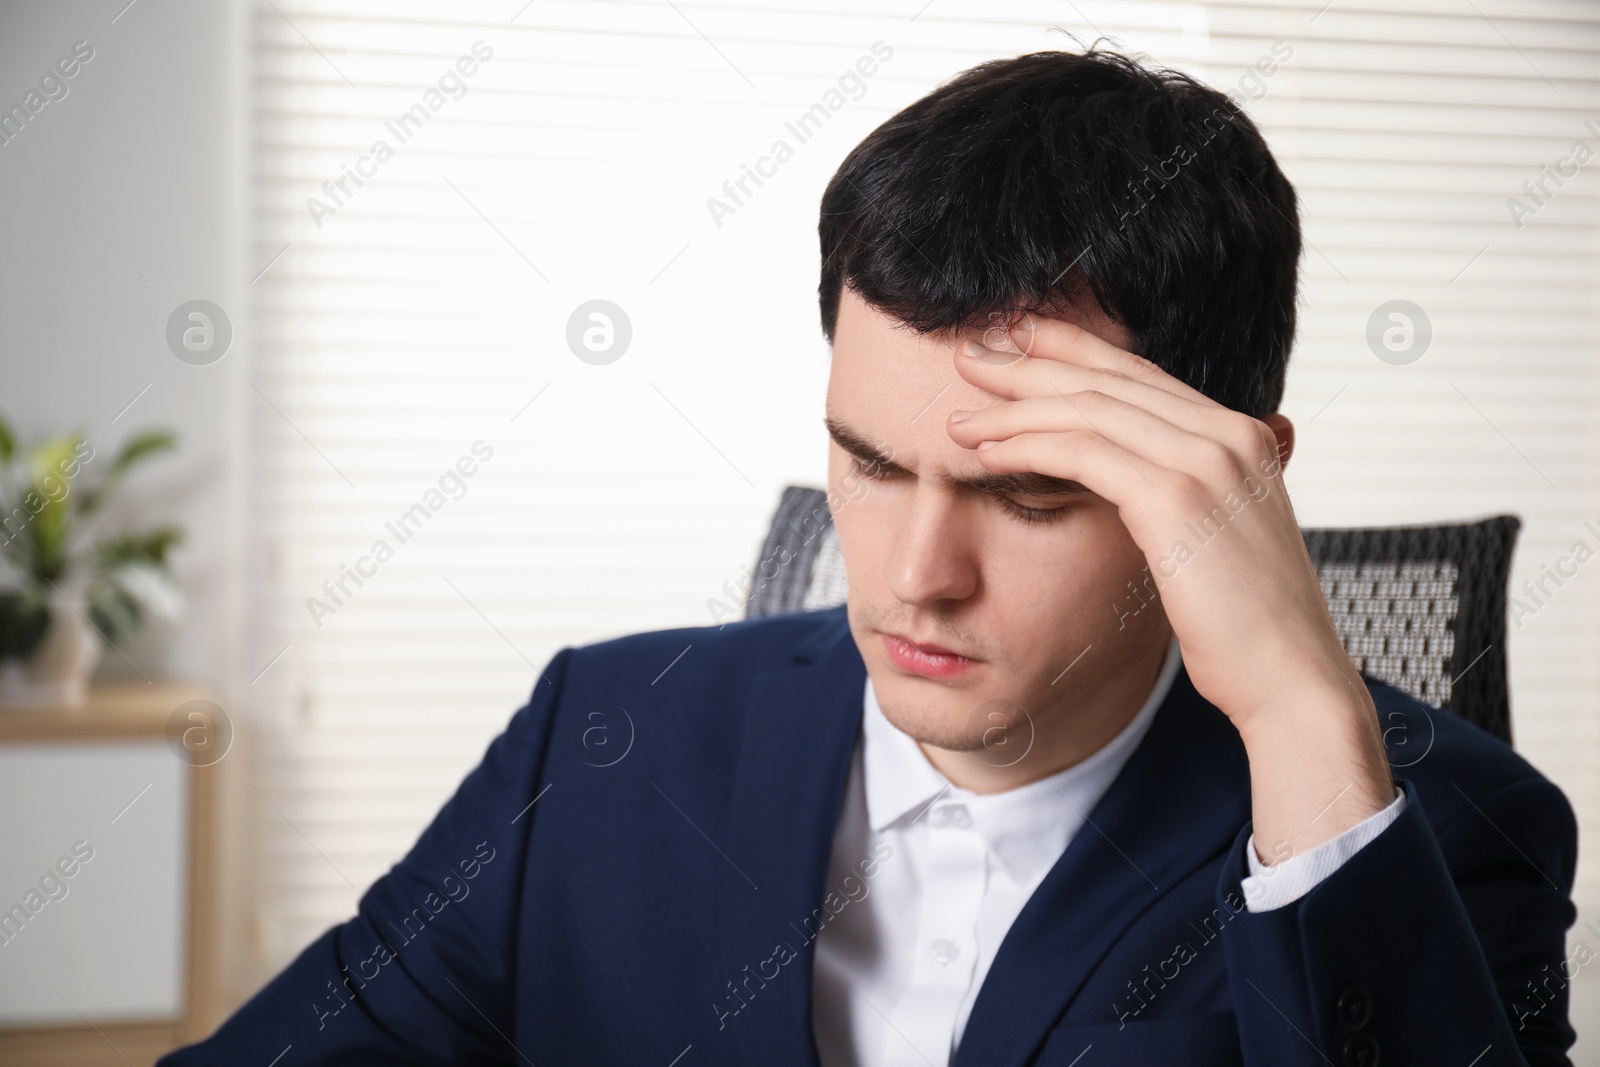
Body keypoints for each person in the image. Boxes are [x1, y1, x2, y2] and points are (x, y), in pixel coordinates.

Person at [161, 43, 1577, 1066]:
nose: (912, 576)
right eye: (871, 462)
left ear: (1223, 486)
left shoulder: (1446, 837)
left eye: (1027, 496)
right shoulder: (599, 741)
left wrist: (1295, 714)